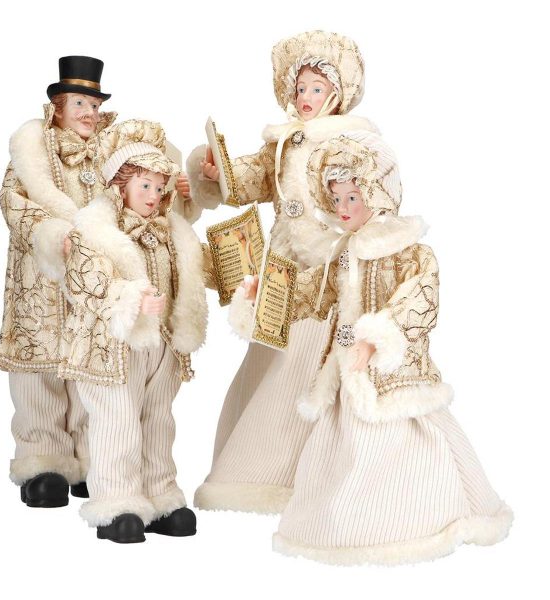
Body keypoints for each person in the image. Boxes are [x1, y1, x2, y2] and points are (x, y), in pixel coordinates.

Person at [264, 131, 513, 565]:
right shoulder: (343, 252)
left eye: (352, 198)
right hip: (347, 371)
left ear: (377, 195)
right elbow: (314, 293)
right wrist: (266, 295)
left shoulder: (407, 252)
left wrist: (376, 338)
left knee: (407, 443)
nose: (343, 209)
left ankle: (408, 520)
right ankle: (343, 523)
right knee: (338, 447)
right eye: (336, 200)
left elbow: (420, 299)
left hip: (393, 372)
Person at [187, 31, 380, 514]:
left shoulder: (350, 142)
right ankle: (256, 469)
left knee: (305, 360)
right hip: (283, 267)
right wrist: (218, 173)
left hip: (325, 268)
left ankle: (290, 473)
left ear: (337, 93)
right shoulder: (282, 142)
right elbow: (256, 178)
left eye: (317, 88)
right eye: (300, 88)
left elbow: (369, 195)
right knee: (269, 357)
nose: (306, 97)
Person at [61, 120, 208, 543]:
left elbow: (197, 269)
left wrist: (238, 268)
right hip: (113, 345)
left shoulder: (171, 231)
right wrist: (129, 298)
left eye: (160, 188)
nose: (154, 196)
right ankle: (117, 502)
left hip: (162, 344)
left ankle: (159, 494)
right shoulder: (95, 232)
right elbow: (83, 281)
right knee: (117, 421)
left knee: (158, 421)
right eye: (145, 186)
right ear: (120, 185)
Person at [0, 56, 117, 507]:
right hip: (42, 279)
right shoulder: (34, 153)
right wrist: (48, 233)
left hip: (89, 281)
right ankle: (43, 460)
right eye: (79, 103)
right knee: (39, 369)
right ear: (58, 106)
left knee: (88, 367)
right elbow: (13, 201)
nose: (89, 112)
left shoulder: (109, 152)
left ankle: (88, 458)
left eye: (94, 105)